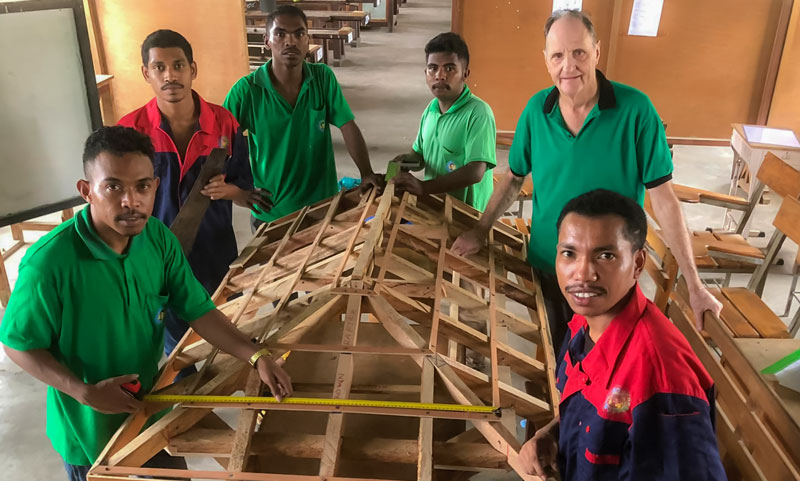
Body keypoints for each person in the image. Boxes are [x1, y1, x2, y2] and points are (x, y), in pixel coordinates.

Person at [0, 127, 292, 481]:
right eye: (113, 187)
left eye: (141, 187)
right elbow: (18, 345)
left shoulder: (157, 240)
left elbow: (198, 310)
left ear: (155, 186)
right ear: (87, 190)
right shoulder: (49, 265)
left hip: (147, 404)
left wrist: (255, 355)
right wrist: (84, 391)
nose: (130, 201)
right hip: (86, 423)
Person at [451, 9, 721, 351]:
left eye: (579, 52)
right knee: (554, 358)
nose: (569, 66)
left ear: (596, 52)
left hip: (609, 275)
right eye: (558, 55)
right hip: (551, 266)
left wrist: (695, 285)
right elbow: (512, 180)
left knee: (608, 372)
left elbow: (664, 198)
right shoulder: (537, 110)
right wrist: (480, 229)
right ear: (546, 60)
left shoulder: (636, 111)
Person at [517, 189, 729, 481]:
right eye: (569, 253)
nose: (582, 273)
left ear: (638, 263)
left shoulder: (658, 372)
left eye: (605, 256)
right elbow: (592, 404)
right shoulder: (583, 323)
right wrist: (549, 433)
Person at [118, 29, 269, 355]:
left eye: (178, 65)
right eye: (159, 67)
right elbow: (116, 206)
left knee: (230, 330)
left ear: (193, 69)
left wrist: (231, 191)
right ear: (146, 73)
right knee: (177, 350)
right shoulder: (130, 132)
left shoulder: (224, 124)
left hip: (216, 252)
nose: (170, 76)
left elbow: (246, 189)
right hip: (156, 256)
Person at [223, 5, 382, 231]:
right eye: (280, 34)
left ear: (307, 40)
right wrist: (237, 193)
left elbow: (347, 125)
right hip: (272, 213)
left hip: (322, 208)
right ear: (267, 41)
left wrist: (366, 172)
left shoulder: (322, 78)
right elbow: (220, 144)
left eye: (299, 34)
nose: (290, 41)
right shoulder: (247, 91)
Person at [364, 32, 496, 211]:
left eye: (449, 69)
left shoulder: (478, 113)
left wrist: (424, 187)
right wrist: (402, 164)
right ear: (425, 73)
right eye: (433, 68)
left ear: (465, 73)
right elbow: (419, 157)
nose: (439, 76)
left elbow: (476, 171)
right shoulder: (431, 110)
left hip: (467, 215)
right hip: (436, 207)